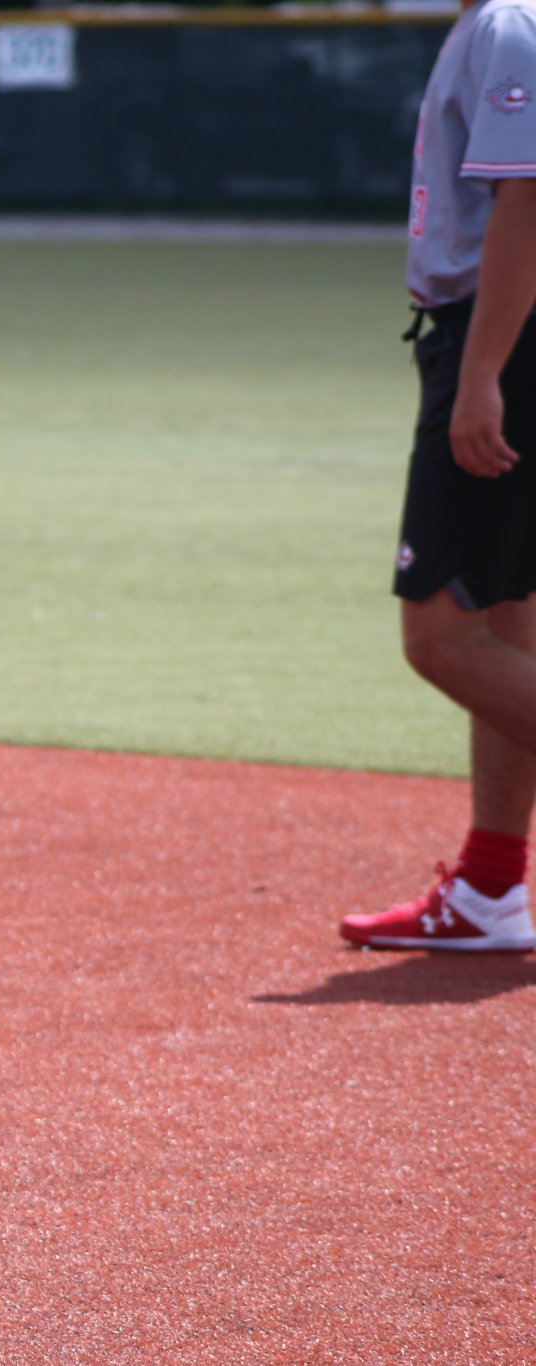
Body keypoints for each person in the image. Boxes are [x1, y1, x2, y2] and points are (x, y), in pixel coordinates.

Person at [342, 0, 536, 953]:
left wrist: (482, 373)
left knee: (442, 638)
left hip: (504, 341)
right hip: (501, 339)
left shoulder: (511, 21)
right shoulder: (487, 22)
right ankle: (492, 887)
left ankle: (491, 889)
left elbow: (528, 201)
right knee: (505, 618)